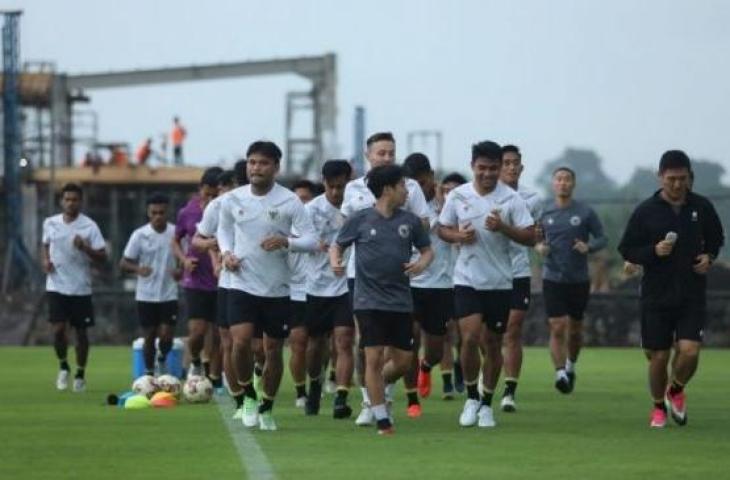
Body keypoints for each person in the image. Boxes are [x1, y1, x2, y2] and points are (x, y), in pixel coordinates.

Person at [618, 150, 723, 428]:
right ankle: (657, 407)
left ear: (690, 177)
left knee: (690, 350)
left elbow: (716, 238)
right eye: (672, 179)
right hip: (656, 294)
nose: (677, 185)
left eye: (683, 179)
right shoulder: (645, 211)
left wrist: (709, 257)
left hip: (691, 293)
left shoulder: (702, 207)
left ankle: (675, 390)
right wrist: (653, 250)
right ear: (660, 177)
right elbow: (626, 248)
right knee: (659, 356)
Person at [218, 141, 318, 431]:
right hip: (241, 283)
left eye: (262, 163)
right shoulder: (233, 199)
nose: (256, 168)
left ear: (276, 167)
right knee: (240, 341)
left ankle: (267, 406)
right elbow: (223, 230)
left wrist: (287, 241)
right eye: (251, 162)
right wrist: (226, 253)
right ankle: (248, 396)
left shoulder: (289, 202)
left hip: (277, 288)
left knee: (273, 350)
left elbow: (311, 241)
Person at [438, 140, 535, 428]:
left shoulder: (511, 199)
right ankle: (470, 396)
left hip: (500, 282)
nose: (488, 174)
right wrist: (458, 237)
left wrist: (503, 227)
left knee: (492, 343)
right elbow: (442, 229)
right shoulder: (457, 196)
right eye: (482, 168)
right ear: (472, 167)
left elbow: (530, 237)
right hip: (466, 278)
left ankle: (486, 403)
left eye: (494, 168)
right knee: (468, 338)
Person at [331, 164, 433, 435]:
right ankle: (382, 419)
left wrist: (422, 264)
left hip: (400, 301)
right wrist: (335, 261)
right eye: (402, 186)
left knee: (402, 361)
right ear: (388, 189)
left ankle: (372, 387)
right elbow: (337, 244)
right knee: (373, 358)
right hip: (368, 300)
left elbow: (427, 250)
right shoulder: (360, 219)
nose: (407, 191)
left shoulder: (409, 221)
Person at [536, 167, 607, 394]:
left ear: (573, 184)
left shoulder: (585, 212)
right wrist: (539, 247)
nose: (563, 183)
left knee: (575, 330)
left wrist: (589, 247)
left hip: (578, 279)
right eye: (559, 179)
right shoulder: (544, 211)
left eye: (567, 179)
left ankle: (570, 366)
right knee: (557, 327)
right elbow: (534, 237)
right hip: (552, 277)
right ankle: (559, 374)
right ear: (553, 183)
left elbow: (603, 238)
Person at [192, 166, 250, 416]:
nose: (229, 191)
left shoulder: (264, 203)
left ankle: (253, 387)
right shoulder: (219, 206)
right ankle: (239, 397)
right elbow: (197, 239)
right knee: (230, 342)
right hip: (230, 284)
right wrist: (212, 247)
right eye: (225, 187)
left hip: (266, 286)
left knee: (261, 347)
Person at [401, 153, 456, 417]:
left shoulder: (448, 201)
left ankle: (426, 367)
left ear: (431, 177)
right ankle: (412, 399)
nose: (417, 190)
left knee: (435, 348)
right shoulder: (401, 201)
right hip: (409, 281)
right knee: (408, 341)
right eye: (412, 184)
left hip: (440, 283)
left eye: (422, 183)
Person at [303, 160, 356, 418]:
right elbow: (299, 241)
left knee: (345, 340)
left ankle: (341, 397)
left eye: (341, 186)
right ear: (323, 183)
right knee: (315, 344)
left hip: (347, 285)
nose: (337, 192)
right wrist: (315, 244)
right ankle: (314, 384)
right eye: (331, 186)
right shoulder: (310, 210)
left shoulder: (357, 207)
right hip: (316, 285)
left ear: (349, 181)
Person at [42, 183, 107, 392]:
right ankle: (63, 366)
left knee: (81, 334)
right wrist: (46, 261)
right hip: (56, 284)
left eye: (75, 199)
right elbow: (45, 245)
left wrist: (85, 247)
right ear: (62, 201)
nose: (71, 203)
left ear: (81, 202)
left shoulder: (89, 226)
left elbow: (103, 257)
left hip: (80, 288)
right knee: (58, 330)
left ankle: (80, 373)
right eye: (67, 199)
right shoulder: (50, 223)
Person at [497, 145, 543, 412]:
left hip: (518, 271)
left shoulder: (533, 198)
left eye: (516, 163)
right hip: (488, 273)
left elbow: (537, 234)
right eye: (506, 163)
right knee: (487, 335)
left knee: (512, 330)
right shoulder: (486, 196)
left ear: (521, 167)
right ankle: (488, 372)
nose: (511, 167)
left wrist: (538, 243)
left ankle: (509, 391)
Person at [172, 167, 222, 385]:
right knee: (198, 330)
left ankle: (213, 373)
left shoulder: (226, 210)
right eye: (207, 193)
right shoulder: (187, 212)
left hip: (221, 279)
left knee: (217, 332)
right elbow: (174, 240)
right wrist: (184, 260)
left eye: (215, 194)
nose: (210, 198)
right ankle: (195, 360)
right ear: (200, 189)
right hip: (195, 279)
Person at [120, 193, 180, 376]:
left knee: (166, 334)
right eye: (154, 212)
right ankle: (148, 372)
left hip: (169, 292)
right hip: (146, 294)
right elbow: (123, 263)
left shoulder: (176, 233)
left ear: (167, 212)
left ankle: (162, 358)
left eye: (161, 212)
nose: (158, 216)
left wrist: (181, 271)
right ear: (148, 212)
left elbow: (186, 258)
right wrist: (138, 269)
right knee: (149, 335)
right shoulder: (139, 235)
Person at [437, 173, 468, 399]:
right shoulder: (437, 216)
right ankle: (447, 379)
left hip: (466, 280)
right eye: (446, 189)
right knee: (446, 332)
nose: (449, 194)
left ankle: (461, 365)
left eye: (454, 190)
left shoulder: (469, 217)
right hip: (442, 281)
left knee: (465, 333)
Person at [289, 179, 319, 408]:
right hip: (294, 292)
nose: (302, 204)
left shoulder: (321, 224)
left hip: (321, 290)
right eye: (298, 199)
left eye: (306, 199)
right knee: (299, 342)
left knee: (321, 344)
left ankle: (320, 380)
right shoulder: (283, 227)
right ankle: (301, 391)